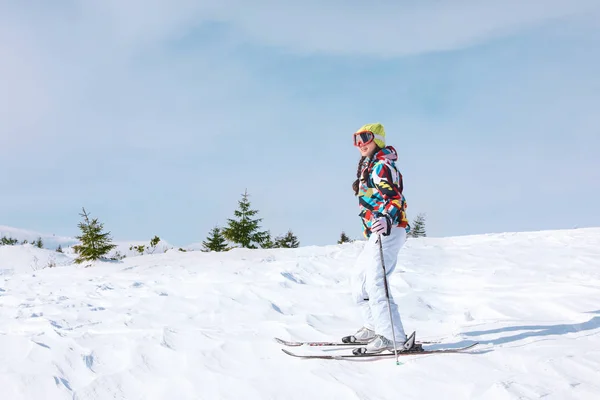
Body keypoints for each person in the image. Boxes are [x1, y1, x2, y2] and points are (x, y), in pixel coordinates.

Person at [342, 122, 417, 355]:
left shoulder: (382, 166)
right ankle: (374, 327)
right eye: (356, 139)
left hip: (389, 229)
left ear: (378, 139)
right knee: (359, 279)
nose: (360, 144)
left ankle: (391, 336)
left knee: (376, 280)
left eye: (365, 137)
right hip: (377, 231)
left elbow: (396, 198)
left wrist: (387, 218)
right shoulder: (369, 166)